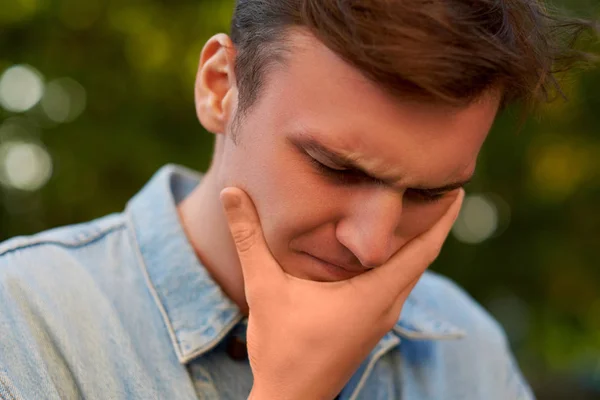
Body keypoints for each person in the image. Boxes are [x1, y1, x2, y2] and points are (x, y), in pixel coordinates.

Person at [0, 0, 592, 399]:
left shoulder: (464, 348)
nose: (372, 243)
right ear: (220, 89)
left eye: (428, 192)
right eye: (335, 167)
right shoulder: (25, 321)